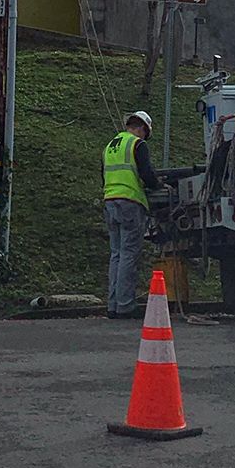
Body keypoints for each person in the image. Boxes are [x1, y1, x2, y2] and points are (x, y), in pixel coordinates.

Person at [103, 109, 161, 318]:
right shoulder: (138, 145)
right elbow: (147, 174)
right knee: (129, 253)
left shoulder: (110, 146)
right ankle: (126, 305)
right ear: (143, 128)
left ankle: (113, 306)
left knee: (116, 254)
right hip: (130, 202)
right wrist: (158, 186)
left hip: (110, 201)